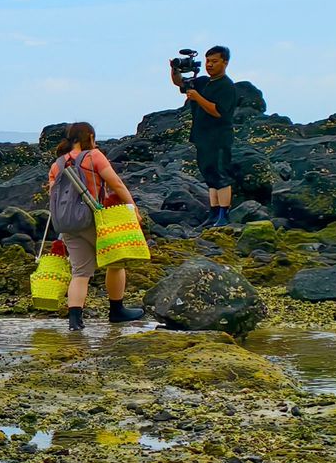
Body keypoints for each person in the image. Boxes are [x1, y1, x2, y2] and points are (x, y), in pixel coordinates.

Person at [47, 122, 148, 330]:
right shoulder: (94, 156)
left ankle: (75, 322)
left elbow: (53, 196)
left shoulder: (57, 165)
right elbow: (116, 183)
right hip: (93, 218)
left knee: (80, 272)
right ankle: (117, 310)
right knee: (116, 262)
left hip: (67, 223)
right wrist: (132, 207)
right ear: (90, 136)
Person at [173, 46, 239, 227]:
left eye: (214, 61)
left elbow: (218, 112)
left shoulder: (227, 86)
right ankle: (214, 212)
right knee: (209, 173)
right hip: (202, 136)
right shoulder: (203, 82)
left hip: (219, 137)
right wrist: (175, 69)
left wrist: (197, 97)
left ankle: (224, 214)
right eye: (208, 61)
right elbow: (179, 83)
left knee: (220, 174)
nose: (210, 65)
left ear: (225, 62)